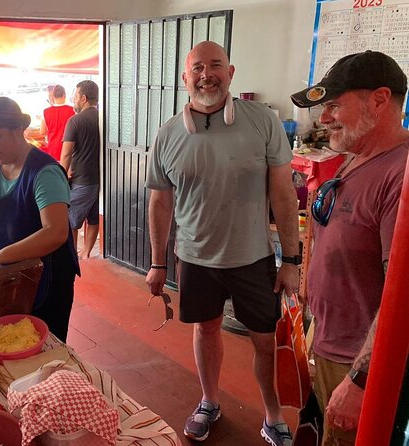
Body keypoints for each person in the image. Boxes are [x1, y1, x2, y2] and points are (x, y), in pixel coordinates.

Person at [145, 41, 299, 445]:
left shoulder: (262, 121)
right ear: (185, 78)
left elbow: (284, 194)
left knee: (264, 341)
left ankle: (271, 414)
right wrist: (157, 263)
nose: (206, 74)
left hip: (253, 257)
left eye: (215, 65)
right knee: (206, 329)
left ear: (230, 72)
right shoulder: (167, 135)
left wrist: (292, 260)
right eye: (197, 67)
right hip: (194, 258)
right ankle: (209, 401)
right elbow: (160, 203)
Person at [291, 50, 409, 446]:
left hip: (357, 363)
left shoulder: (400, 174)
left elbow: (404, 295)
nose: (324, 118)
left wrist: (360, 381)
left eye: (335, 106)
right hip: (329, 342)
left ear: (379, 99)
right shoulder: (355, 157)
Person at [0, 97, 80, 342]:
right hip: (9, 272)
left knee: (44, 345)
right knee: (9, 339)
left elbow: (56, 232)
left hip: (48, 276)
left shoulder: (44, 172)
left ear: (18, 129)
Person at [60, 80, 100, 259]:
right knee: (92, 217)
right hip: (99, 178)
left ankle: (71, 255)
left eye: (75, 96)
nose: (73, 100)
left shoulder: (75, 121)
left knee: (69, 220)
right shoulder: (102, 118)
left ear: (83, 98)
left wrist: (60, 177)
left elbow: (66, 154)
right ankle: (86, 253)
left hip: (81, 180)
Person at [38, 84, 75, 161]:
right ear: (64, 95)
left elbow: (42, 132)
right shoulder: (73, 110)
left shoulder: (46, 112)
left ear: (53, 96)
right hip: (69, 149)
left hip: (53, 149)